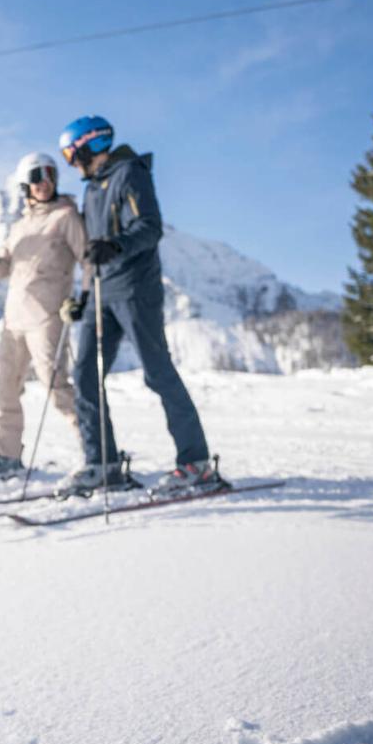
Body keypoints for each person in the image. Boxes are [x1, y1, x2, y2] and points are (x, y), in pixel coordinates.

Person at [55, 114, 218, 496]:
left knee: (157, 371)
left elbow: (149, 226)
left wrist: (116, 245)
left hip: (133, 288)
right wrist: (82, 298)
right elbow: (91, 253)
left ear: (89, 143)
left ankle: (195, 463)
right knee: (84, 377)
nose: (70, 162)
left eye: (69, 153)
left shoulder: (130, 173)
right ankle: (103, 464)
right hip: (100, 293)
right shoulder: (92, 190)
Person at [0, 153, 90, 479]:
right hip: (14, 319)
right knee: (6, 391)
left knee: (57, 386)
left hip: (47, 316)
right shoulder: (20, 227)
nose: (43, 182)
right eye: (36, 176)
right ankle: (7, 455)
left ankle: (96, 451)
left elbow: (89, 259)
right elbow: (2, 268)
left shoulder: (66, 216)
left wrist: (82, 298)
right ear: (24, 184)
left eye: (49, 175)